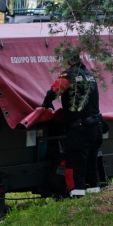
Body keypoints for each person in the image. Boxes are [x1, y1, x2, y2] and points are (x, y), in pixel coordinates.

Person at [41, 59, 104, 197]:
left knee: (75, 165)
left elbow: (54, 90)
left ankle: (77, 197)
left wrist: (46, 103)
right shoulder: (90, 75)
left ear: (68, 61)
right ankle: (94, 194)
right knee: (92, 163)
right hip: (96, 127)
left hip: (80, 130)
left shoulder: (69, 75)